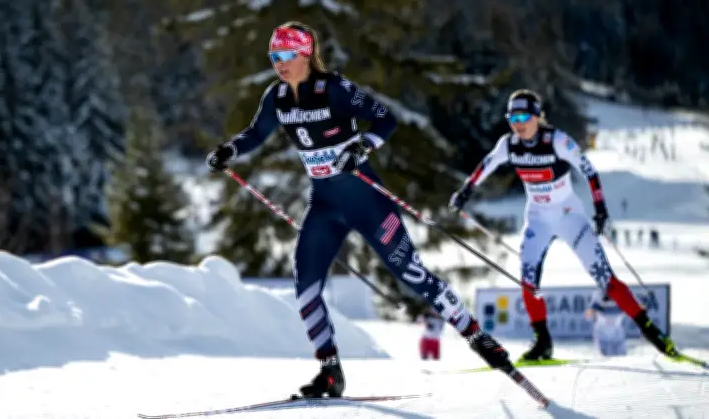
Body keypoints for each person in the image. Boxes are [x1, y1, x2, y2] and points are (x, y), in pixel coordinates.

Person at [206, 21, 512, 398]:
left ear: (305, 55)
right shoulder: (277, 97)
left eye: (285, 55)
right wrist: (229, 151)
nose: (279, 63)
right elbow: (256, 133)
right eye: (274, 56)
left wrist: (363, 146)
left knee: (411, 274)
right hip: (325, 205)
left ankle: (477, 335)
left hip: (368, 203)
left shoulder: (332, 88)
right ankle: (330, 372)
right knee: (305, 289)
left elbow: (386, 118)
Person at [448, 89, 677, 362]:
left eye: (523, 117)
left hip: (570, 216)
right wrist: (465, 192)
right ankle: (542, 343)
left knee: (606, 280)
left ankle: (651, 332)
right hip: (538, 218)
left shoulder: (556, 141)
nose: (517, 124)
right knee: (528, 281)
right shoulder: (508, 145)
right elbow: (485, 166)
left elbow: (588, 170)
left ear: (537, 116)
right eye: (512, 117)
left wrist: (600, 207)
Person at [585, 289, 628, 357]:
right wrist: (591, 313)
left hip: (617, 336)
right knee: (603, 356)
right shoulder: (598, 296)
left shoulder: (622, 296)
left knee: (622, 356)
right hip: (602, 336)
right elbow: (588, 314)